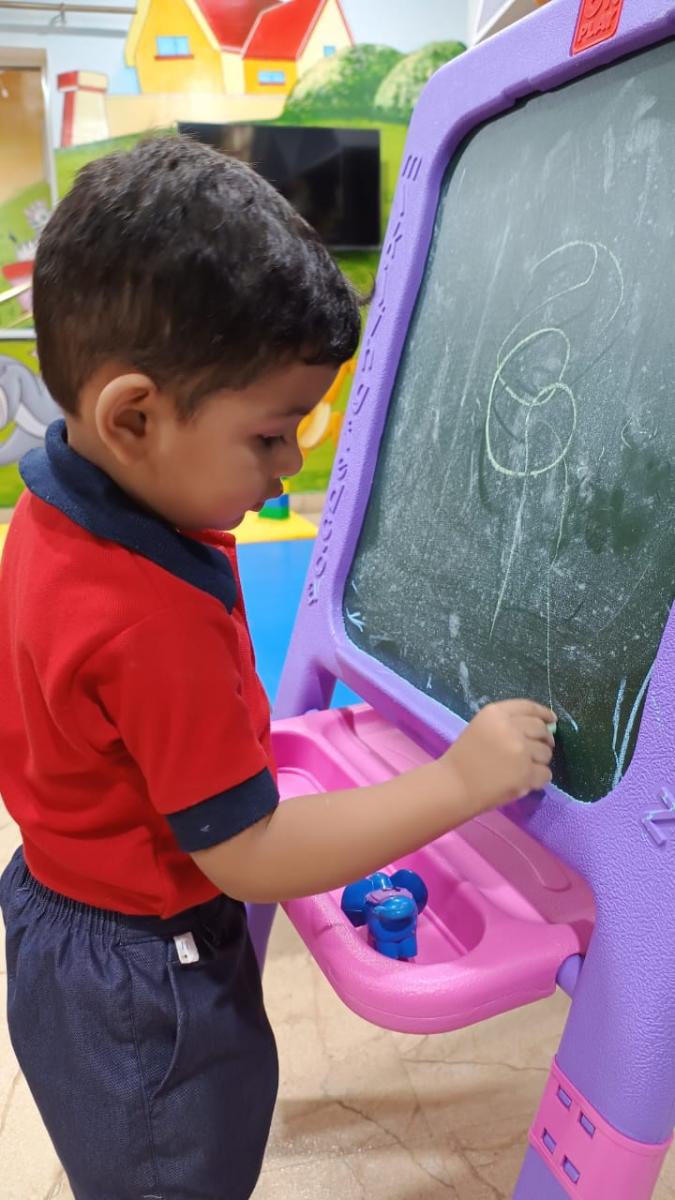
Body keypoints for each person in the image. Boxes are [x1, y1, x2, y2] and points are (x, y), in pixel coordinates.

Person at [0, 136, 555, 1200]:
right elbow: (249, 854)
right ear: (133, 416)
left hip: (64, 927)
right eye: (270, 436)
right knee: (177, 1169)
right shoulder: (147, 617)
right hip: (144, 982)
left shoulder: (55, 500)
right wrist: (459, 781)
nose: (294, 463)